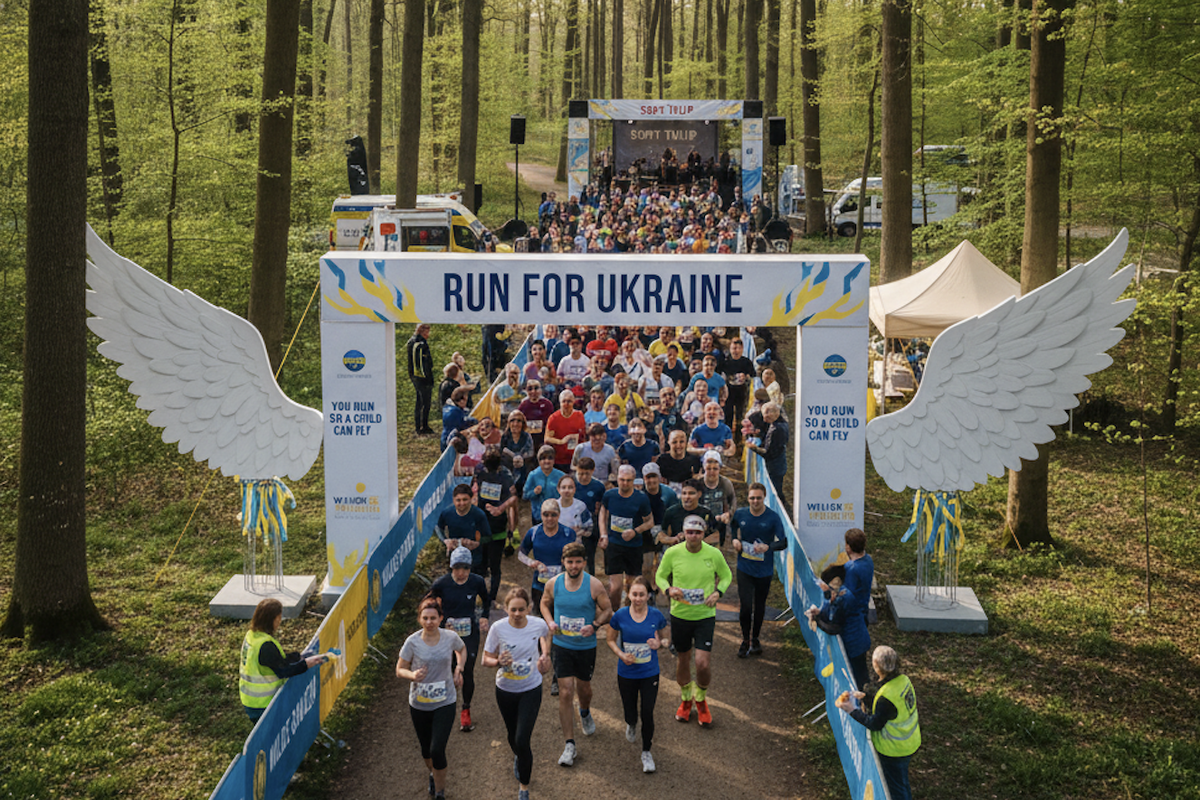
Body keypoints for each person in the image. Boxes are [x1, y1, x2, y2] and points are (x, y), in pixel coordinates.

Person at [655, 514, 732, 727]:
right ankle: (686, 699)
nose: (694, 536)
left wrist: (718, 592)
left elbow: (726, 576)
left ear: (703, 533)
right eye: (690, 532)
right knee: (683, 659)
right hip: (680, 615)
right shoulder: (672, 553)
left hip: (705, 615)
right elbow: (659, 576)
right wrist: (669, 589)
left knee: (702, 662)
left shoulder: (713, 554)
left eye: (698, 532)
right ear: (683, 532)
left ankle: (701, 698)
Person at [540, 542, 613, 767]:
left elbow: (608, 610)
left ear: (584, 562)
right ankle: (569, 744)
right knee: (565, 691)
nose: (573, 566)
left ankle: (585, 711)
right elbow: (544, 603)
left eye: (577, 562)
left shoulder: (594, 585)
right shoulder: (554, 584)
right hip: (562, 645)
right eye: (569, 562)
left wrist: (595, 624)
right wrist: (550, 621)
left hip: (585, 647)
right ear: (563, 562)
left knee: (584, 689)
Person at [482, 588, 552, 800]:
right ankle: (518, 756)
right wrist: (498, 662)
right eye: (513, 609)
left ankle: (524, 787)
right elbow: (485, 659)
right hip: (505, 690)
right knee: (513, 736)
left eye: (522, 609)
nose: (518, 613)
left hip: (531, 688)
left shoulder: (537, 624)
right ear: (505, 609)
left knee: (522, 739)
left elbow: (547, 634)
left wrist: (545, 655)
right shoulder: (498, 628)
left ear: (529, 608)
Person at [396, 597, 467, 800]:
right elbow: (400, 669)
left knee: (437, 749)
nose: (429, 622)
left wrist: (459, 668)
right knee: (426, 750)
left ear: (440, 618)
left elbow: (461, 649)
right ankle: (432, 773)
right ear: (420, 619)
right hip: (419, 703)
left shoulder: (450, 637)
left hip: (445, 701)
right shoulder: (412, 642)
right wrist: (412, 675)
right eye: (425, 618)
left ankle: (440, 792)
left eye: (433, 618)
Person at [835, 646, 921, 800]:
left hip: (894, 749)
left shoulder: (885, 697)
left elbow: (874, 723)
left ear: (876, 666)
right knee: (901, 781)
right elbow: (891, 710)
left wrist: (851, 710)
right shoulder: (904, 681)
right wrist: (866, 698)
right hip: (910, 741)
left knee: (896, 789)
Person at [606, 576, 670, 774]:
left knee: (648, 712)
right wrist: (622, 654)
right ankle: (631, 723)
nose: (638, 598)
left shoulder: (656, 615)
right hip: (626, 672)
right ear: (629, 594)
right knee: (630, 710)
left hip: (650, 672)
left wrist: (660, 644)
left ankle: (646, 752)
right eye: (634, 594)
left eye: (642, 594)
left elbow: (667, 638)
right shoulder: (620, 616)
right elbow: (610, 640)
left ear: (648, 595)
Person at [428, 550, 487, 737]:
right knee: (448, 669)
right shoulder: (441, 583)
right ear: (451, 567)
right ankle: (445, 707)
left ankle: (465, 710)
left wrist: (484, 616)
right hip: (447, 635)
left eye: (465, 568)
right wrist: (437, 620)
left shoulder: (477, 581)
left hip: (469, 633)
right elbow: (427, 602)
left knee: (467, 669)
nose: (461, 572)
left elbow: (486, 599)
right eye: (457, 568)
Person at [239, 599, 327, 721]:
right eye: (278, 618)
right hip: (262, 704)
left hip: (249, 699)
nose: (279, 621)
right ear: (273, 619)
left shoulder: (252, 636)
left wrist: (297, 657)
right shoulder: (266, 646)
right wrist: (307, 663)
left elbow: (276, 660)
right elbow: (284, 671)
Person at [730, 483, 788, 657]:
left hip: (764, 571)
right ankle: (745, 639)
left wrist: (767, 547)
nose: (755, 501)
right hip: (744, 568)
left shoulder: (772, 517)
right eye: (752, 498)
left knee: (760, 606)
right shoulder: (741, 513)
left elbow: (783, 542)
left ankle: (755, 638)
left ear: (764, 498)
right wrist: (735, 540)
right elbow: (733, 526)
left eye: (758, 498)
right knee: (746, 606)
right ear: (748, 498)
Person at [599, 465, 654, 612]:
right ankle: (614, 613)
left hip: (634, 546)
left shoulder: (641, 498)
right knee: (615, 587)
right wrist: (603, 534)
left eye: (628, 481)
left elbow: (650, 522)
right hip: (614, 544)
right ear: (617, 479)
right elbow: (603, 513)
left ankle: (630, 614)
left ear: (633, 480)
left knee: (631, 584)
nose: (625, 483)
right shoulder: (610, 495)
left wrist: (635, 531)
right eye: (622, 480)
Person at [473, 445, 517, 605]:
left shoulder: (505, 474)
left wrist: (500, 508)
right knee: (480, 563)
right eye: (486, 466)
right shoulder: (479, 470)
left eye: (492, 468)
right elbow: (474, 487)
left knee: (495, 563)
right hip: (481, 522)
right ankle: (481, 594)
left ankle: (492, 598)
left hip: (498, 524)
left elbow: (513, 498)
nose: (488, 470)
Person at [640, 463, 676, 601]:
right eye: (648, 478)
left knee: (665, 567)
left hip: (665, 532)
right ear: (644, 478)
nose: (651, 481)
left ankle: (668, 594)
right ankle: (649, 593)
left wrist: (671, 536)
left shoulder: (669, 493)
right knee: (646, 567)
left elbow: (674, 514)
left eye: (654, 477)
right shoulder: (640, 495)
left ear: (659, 477)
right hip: (646, 534)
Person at [438, 484, 490, 576]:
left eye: (465, 499)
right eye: (458, 500)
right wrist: (445, 540)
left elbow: (488, 536)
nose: (461, 503)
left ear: (471, 499)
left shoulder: (479, 515)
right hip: (455, 559)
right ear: (453, 500)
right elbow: (438, 528)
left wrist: (476, 543)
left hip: (474, 560)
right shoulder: (447, 513)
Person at [746, 401, 789, 498]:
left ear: (773, 413)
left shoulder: (776, 429)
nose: (764, 418)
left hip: (775, 466)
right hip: (780, 463)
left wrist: (754, 448)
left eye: (765, 415)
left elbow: (768, 453)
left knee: (775, 491)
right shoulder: (781, 423)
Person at [572, 457, 607, 575]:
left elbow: (602, 507)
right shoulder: (571, 484)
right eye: (580, 473)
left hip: (591, 524)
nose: (583, 476)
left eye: (586, 474)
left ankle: (589, 579)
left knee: (588, 555)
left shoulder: (598, 487)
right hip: (573, 524)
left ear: (592, 471)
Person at [697, 451, 737, 546]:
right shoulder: (698, 483)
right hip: (701, 522)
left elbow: (733, 501)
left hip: (719, 522)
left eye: (715, 469)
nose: (711, 472)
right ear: (704, 468)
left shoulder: (725, 483)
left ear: (719, 469)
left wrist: (728, 514)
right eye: (708, 468)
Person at [545, 390, 587, 473]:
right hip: (559, 460)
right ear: (560, 402)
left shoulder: (579, 415)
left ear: (573, 402)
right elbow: (547, 439)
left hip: (575, 459)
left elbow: (583, 437)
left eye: (569, 401)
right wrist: (561, 441)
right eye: (564, 401)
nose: (566, 404)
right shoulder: (554, 418)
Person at [522, 446, 564, 527]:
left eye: (550, 458)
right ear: (538, 460)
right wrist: (534, 492)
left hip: (557, 516)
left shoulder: (561, 476)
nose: (547, 461)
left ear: (554, 460)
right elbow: (525, 495)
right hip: (539, 516)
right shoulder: (533, 475)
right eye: (543, 458)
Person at [720, 337, 755, 435]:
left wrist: (746, 377)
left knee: (740, 414)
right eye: (734, 348)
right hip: (729, 391)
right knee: (728, 414)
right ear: (730, 349)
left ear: (742, 349)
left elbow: (753, 376)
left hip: (741, 391)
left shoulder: (746, 362)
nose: (736, 351)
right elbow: (720, 375)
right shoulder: (725, 362)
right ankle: (727, 434)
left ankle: (740, 435)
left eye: (738, 348)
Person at [407, 323, 435, 434]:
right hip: (422, 378)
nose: (428, 334)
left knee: (419, 402)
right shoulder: (420, 344)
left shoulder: (412, 341)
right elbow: (421, 365)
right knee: (425, 403)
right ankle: (423, 427)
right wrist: (427, 379)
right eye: (427, 331)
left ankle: (419, 426)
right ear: (422, 331)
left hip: (415, 377)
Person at [617, 417, 660, 486]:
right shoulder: (624, 447)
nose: (636, 430)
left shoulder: (653, 445)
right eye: (633, 426)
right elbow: (623, 468)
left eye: (639, 426)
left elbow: (655, 465)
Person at [517, 381, 555, 451]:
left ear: (541, 390)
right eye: (530, 389)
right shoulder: (523, 405)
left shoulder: (547, 404)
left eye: (536, 388)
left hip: (543, 438)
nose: (533, 391)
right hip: (527, 439)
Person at [441, 387, 478, 451]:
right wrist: (473, 421)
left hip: (445, 438)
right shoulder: (454, 412)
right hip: (451, 441)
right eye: (466, 400)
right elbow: (462, 424)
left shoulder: (448, 408)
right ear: (461, 400)